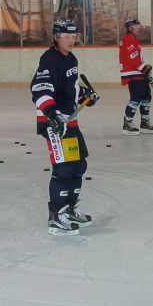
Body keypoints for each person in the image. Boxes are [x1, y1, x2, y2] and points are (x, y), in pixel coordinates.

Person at [30, 18, 99, 236]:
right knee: (64, 168)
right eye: (66, 36)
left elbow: (69, 88)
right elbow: (40, 89)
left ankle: (69, 208)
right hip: (53, 122)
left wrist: (85, 95)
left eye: (73, 35)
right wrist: (52, 115)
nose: (71, 40)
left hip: (69, 120)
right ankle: (56, 216)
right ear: (56, 37)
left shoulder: (71, 59)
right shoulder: (49, 59)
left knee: (79, 165)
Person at [118, 18, 153, 136]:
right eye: (136, 27)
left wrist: (145, 71)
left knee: (146, 96)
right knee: (136, 97)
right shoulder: (128, 40)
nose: (139, 29)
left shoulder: (132, 39)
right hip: (133, 74)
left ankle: (144, 122)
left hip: (138, 73)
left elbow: (136, 59)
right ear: (130, 28)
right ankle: (127, 123)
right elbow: (132, 58)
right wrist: (144, 69)